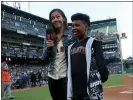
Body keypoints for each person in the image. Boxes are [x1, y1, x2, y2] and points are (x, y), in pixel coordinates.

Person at [67, 13, 109, 100]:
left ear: (86, 27)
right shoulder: (70, 47)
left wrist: (96, 82)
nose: (74, 28)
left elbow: (102, 67)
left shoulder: (94, 43)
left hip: (90, 91)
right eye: (73, 25)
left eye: (77, 25)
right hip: (75, 93)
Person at [42, 8, 77, 100]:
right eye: (52, 18)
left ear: (64, 18)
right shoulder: (48, 36)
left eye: (58, 17)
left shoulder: (72, 33)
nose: (55, 19)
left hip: (66, 76)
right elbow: (44, 58)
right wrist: (48, 49)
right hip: (52, 77)